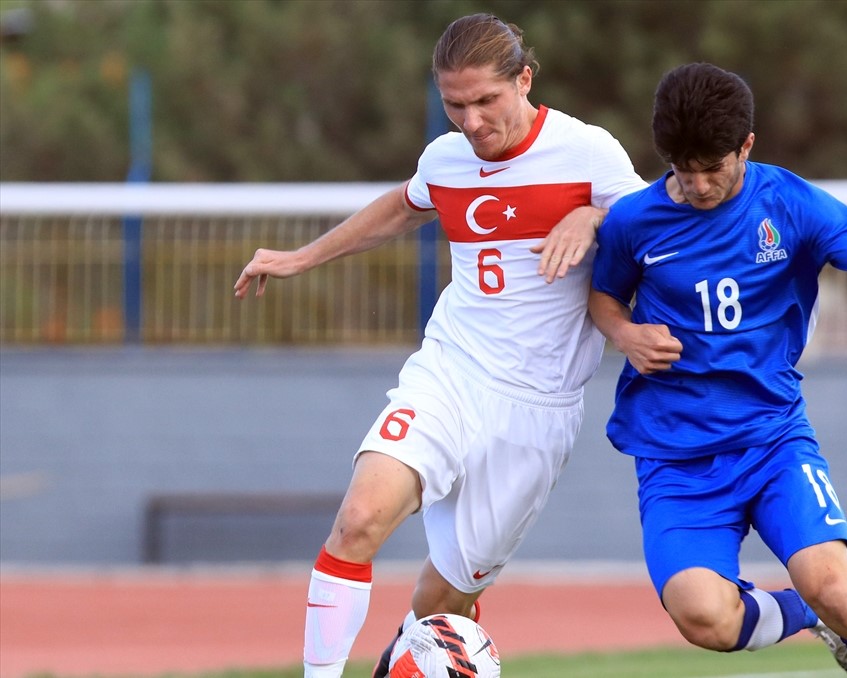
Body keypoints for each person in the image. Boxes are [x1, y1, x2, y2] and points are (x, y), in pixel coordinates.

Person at [234, 14, 647, 678]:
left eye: (486, 100)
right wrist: (301, 258)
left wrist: (595, 216)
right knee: (359, 519)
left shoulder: (588, 152)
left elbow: (658, 227)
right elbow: (403, 207)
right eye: (455, 105)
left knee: (439, 610)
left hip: (536, 409)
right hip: (450, 372)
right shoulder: (446, 159)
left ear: (524, 80)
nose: (472, 121)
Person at [588, 62, 847, 678]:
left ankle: (832, 610)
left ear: (746, 146)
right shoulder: (633, 221)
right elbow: (604, 298)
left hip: (772, 437)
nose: (697, 185)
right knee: (705, 619)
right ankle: (808, 614)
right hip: (675, 455)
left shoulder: (788, 202)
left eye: (712, 168)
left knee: (833, 583)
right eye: (683, 169)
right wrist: (626, 334)